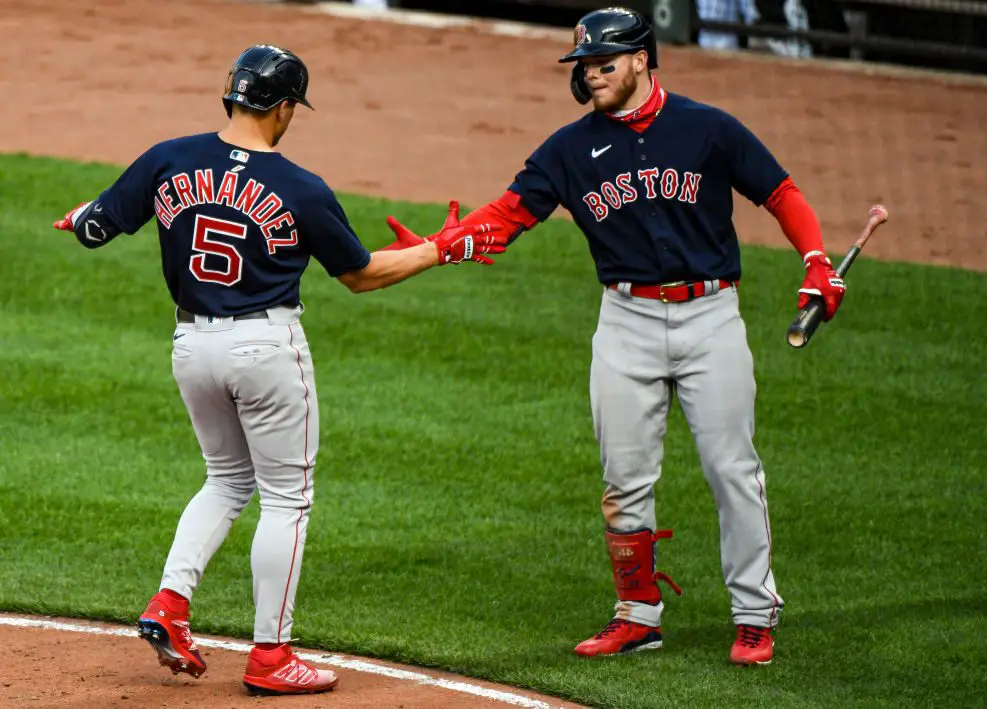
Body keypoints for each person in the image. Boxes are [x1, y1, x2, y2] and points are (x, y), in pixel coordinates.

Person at [386, 7, 846, 666]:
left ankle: (753, 614)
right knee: (623, 480)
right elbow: (510, 214)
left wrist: (816, 263)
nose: (592, 75)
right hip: (624, 321)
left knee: (733, 471)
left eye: (605, 63)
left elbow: (782, 193)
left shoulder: (708, 128)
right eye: (585, 66)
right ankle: (637, 613)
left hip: (709, 315)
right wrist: (443, 244)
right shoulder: (569, 151)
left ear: (641, 60)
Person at [52, 44, 503, 695]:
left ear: (231, 94)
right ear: (285, 106)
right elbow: (361, 274)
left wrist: (77, 219)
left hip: (191, 347)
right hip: (265, 349)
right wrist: (441, 249)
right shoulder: (300, 187)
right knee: (286, 497)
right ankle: (271, 655)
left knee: (227, 478)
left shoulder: (167, 158)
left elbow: (96, 226)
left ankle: (171, 602)